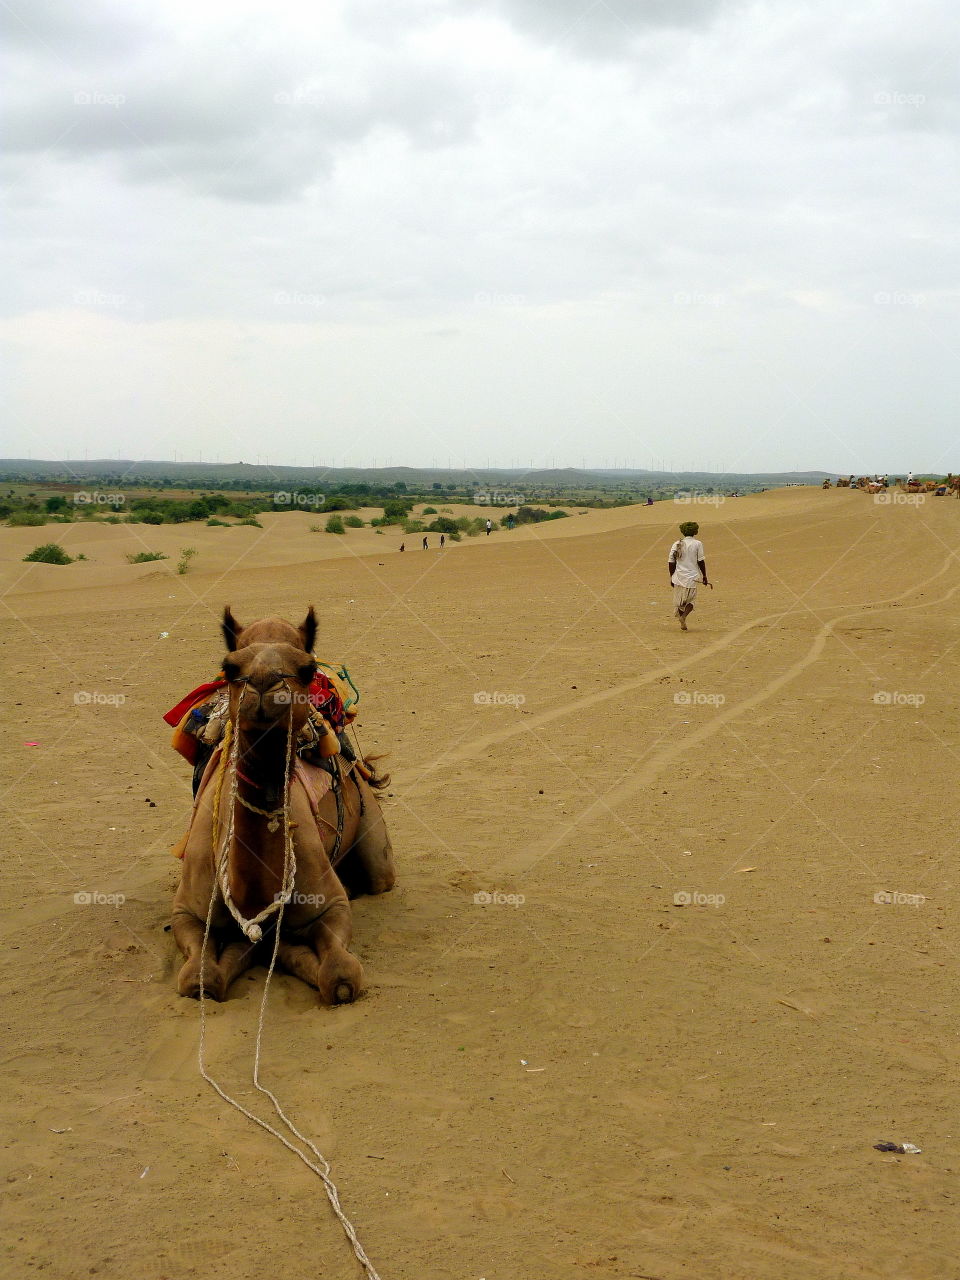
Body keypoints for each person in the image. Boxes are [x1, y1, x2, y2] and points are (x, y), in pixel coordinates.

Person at [668, 521, 711, 631]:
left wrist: (672, 576)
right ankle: (683, 617)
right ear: (695, 531)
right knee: (691, 601)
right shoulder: (697, 544)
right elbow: (701, 561)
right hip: (692, 577)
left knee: (680, 601)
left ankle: (682, 619)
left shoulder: (676, 543)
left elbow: (671, 562)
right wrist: (704, 576)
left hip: (678, 576)